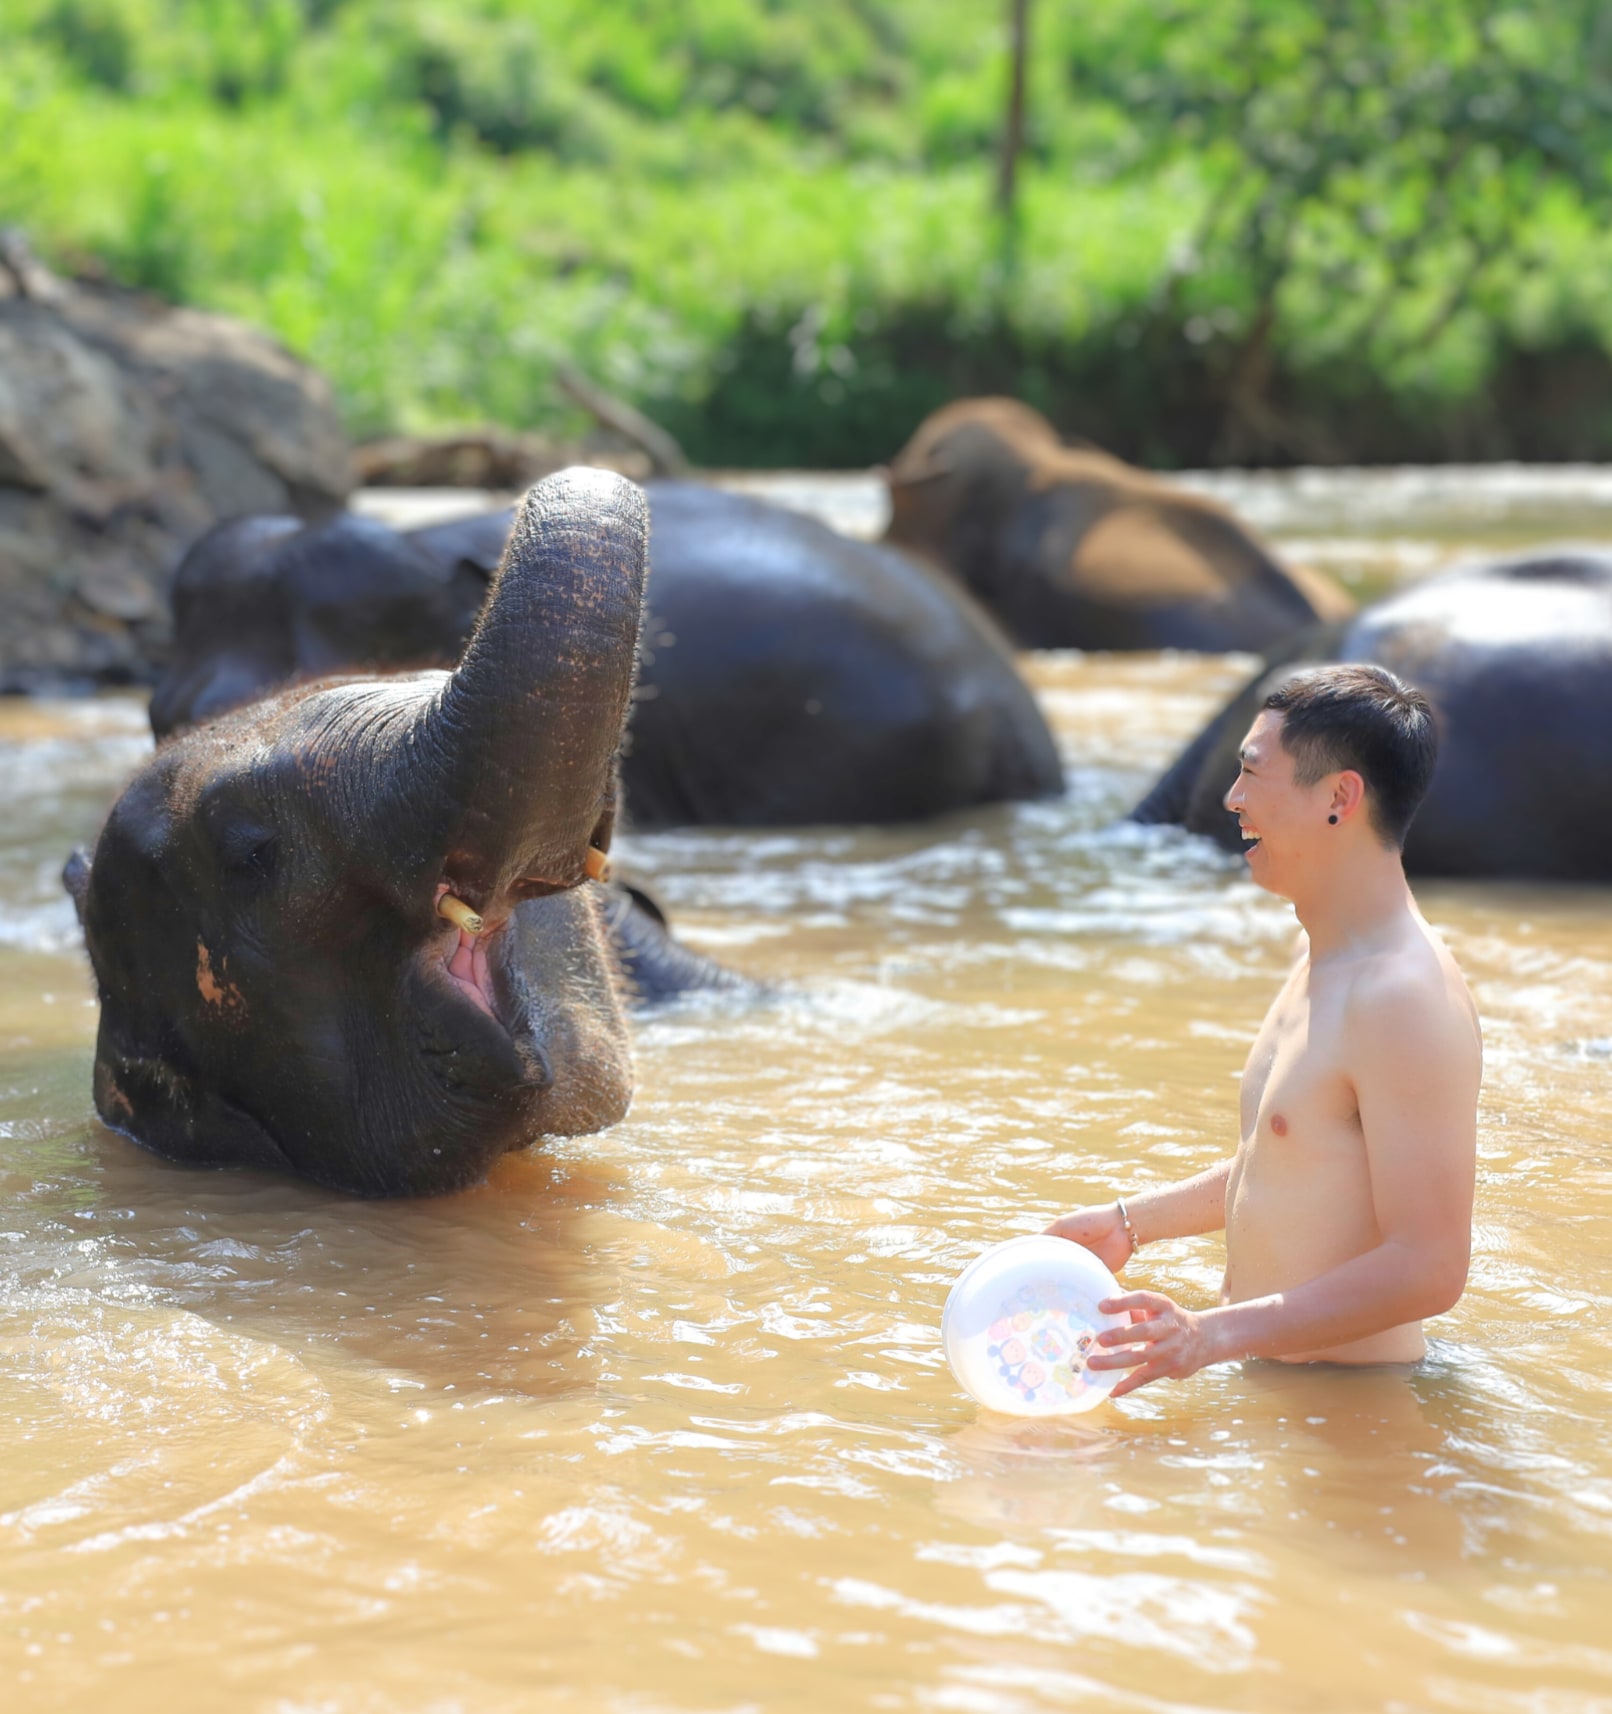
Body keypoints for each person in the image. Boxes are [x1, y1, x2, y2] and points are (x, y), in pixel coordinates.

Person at [1048, 664, 1482, 1396]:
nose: (1231, 799)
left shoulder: (1404, 997)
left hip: (1356, 1428)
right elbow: (1293, 1156)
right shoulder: (1322, 954)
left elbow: (1430, 1267)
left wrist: (1207, 1336)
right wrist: (1133, 1222)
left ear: (1340, 797)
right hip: (1278, 1397)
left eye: (1252, 773)